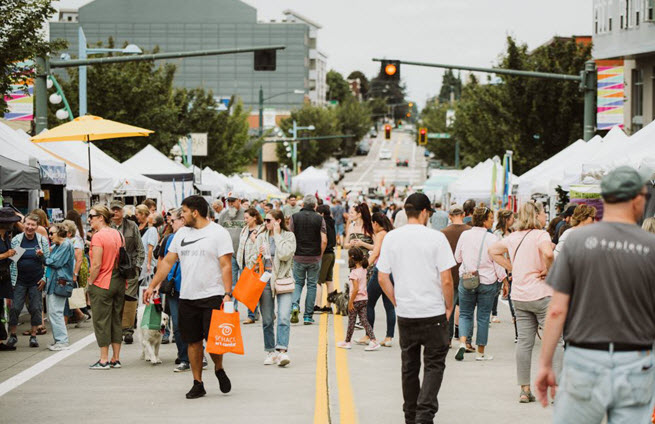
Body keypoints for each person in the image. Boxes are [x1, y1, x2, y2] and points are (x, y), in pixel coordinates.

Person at [536, 166, 655, 423]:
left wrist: (545, 364)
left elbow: (557, 309)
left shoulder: (576, 240)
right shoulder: (650, 246)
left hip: (585, 358)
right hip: (636, 360)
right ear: (636, 199)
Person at [377, 193, 455, 424]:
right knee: (434, 364)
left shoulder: (392, 238)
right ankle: (425, 413)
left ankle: (410, 415)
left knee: (409, 365)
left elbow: (382, 278)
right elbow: (447, 279)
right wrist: (448, 306)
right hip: (433, 311)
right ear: (424, 212)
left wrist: (396, 301)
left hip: (406, 313)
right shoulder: (436, 238)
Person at [145, 195, 234, 399]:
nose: (180, 215)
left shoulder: (218, 233)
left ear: (195, 212)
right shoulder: (181, 234)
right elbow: (168, 262)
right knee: (192, 342)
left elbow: (226, 265)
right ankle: (198, 383)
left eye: (184, 211)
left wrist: (227, 294)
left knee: (212, 342)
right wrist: (152, 285)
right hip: (187, 295)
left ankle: (219, 368)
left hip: (212, 294)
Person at [488, 201, 560, 403]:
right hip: (542, 295)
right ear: (536, 216)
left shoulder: (513, 237)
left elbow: (492, 251)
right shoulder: (541, 235)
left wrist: (511, 268)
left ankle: (525, 389)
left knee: (525, 343)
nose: (545, 216)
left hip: (519, 296)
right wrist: (550, 269)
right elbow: (547, 253)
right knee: (555, 341)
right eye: (543, 213)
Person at [453, 207, 507, 361]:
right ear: (484, 220)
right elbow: (497, 263)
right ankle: (480, 352)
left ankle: (463, 342)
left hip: (467, 279)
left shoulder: (465, 235)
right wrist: (503, 279)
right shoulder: (492, 239)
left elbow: (457, 258)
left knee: (465, 313)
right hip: (487, 282)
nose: (492, 220)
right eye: (490, 218)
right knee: (483, 317)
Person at [251, 209, 296, 367]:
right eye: (265, 220)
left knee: (283, 316)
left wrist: (277, 235)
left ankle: (282, 351)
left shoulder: (288, 236)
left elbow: (284, 255)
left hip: (283, 279)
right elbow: (252, 258)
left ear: (278, 221)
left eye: (269, 220)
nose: (265, 223)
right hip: (265, 280)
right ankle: (270, 350)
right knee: (268, 319)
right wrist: (259, 254)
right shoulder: (261, 236)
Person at [86, 205, 125, 369]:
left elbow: (96, 265)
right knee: (116, 319)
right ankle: (116, 358)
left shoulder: (98, 237)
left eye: (92, 216)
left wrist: (89, 282)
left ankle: (104, 359)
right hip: (119, 280)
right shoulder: (118, 233)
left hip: (102, 281)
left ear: (101, 217)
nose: (89, 219)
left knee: (101, 320)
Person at [6, 214, 50, 348]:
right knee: (15, 308)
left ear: (37, 227)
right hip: (19, 280)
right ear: (23, 224)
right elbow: (12, 262)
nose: (30, 227)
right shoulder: (17, 240)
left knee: (36, 308)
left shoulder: (41, 241)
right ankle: (13, 336)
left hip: (36, 281)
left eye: (33, 225)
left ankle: (34, 336)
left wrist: (44, 278)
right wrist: (11, 281)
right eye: (28, 224)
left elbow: (48, 262)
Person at [357, 212, 395, 347]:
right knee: (389, 306)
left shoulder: (380, 234)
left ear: (376, 223)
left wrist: (364, 267)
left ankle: (368, 335)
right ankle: (389, 337)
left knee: (368, 302)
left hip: (381, 271)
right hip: (392, 272)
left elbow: (376, 252)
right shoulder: (391, 233)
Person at [109, 200, 144, 345]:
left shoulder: (131, 226)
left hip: (130, 268)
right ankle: (116, 329)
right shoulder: (107, 227)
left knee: (129, 299)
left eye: (118, 210)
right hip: (112, 268)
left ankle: (128, 330)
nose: (115, 212)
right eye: (113, 210)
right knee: (116, 299)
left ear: (123, 211)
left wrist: (137, 266)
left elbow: (140, 247)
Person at [160, 208, 191, 372]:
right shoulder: (170, 239)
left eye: (173, 221)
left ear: (182, 220)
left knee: (193, 323)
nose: (170, 224)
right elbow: (165, 262)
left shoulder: (195, 236)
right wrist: (156, 284)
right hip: (174, 287)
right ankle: (184, 357)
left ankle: (197, 355)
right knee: (178, 324)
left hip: (192, 286)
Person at [289, 195, 327, 325]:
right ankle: (308, 316)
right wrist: (320, 255)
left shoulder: (294, 217)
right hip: (314, 257)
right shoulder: (320, 218)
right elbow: (324, 240)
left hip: (298, 256)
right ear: (315, 206)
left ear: (303, 205)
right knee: (312, 285)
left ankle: (294, 306)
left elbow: (290, 237)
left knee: (298, 283)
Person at [337, 248, 380, 351]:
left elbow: (355, 289)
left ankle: (347, 342)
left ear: (351, 258)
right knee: (364, 320)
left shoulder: (354, 273)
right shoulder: (364, 270)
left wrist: (350, 302)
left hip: (356, 300)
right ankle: (373, 340)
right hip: (364, 299)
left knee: (351, 322)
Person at [441, 204, 471, 346]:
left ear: (449, 216)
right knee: (466, 310)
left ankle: (447, 339)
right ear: (463, 214)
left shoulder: (443, 233)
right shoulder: (470, 231)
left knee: (449, 307)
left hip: (449, 274)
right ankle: (466, 339)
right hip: (467, 274)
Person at [44, 223, 74, 351]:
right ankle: (59, 340)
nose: (49, 236)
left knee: (56, 312)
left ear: (59, 233)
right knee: (53, 312)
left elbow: (55, 262)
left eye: (52, 233)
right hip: (54, 281)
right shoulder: (58, 245)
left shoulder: (65, 245)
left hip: (59, 282)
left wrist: (43, 258)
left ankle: (62, 341)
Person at [218, 196, 245, 311]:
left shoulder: (245, 214)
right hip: (230, 254)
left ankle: (252, 312)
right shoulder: (224, 215)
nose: (230, 204)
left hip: (244, 254)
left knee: (246, 284)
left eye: (233, 201)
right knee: (231, 284)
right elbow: (218, 232)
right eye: (228, 201)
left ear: (239, 201)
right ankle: (233, 308)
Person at [237, 207, 264, 324]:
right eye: (244, 218)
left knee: (253, 291)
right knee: (249, 290)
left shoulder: (261, 230)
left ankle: (252, 315)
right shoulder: (244, 229)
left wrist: (254, 240)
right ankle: (254, 313)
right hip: (243, 263)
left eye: (247, 218)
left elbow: (262, 247)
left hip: (254, 264)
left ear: (254, 218)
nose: (245, 220)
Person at [0, 208, 20, 351]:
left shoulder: (6, 235)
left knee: (1, 308)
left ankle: (0, 341)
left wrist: (12, 255)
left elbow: (22, 222)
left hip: (3, 277)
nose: (13, 224)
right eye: (10, 222)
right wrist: (6, 254)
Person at [491, 209, 515, 324]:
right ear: (506, 219)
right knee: (496, 290)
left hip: (510, 264)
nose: (514, 220)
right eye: (512, 218)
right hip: (499, 263)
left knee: (510, 289)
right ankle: (494, 313)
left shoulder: (512, 232)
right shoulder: (496, 234)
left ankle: (514, 315)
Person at [314, 205, 336, 313]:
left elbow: (324, 241)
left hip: (325, 253)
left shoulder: (322, 223)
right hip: (332, 253)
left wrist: (320, 254)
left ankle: (317, 305)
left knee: (318, 281)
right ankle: (328, 305)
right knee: (329, 280)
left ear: (322, 214)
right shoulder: (332, 222)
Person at [136, 204, 158, 284]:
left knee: (144, 285)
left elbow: (150, 248)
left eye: (137, 214)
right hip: (139, 262)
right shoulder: (138, 226)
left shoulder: (151, 229)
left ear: (143, 214)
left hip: (145, 263)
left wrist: (148, 264)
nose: (136, 216)